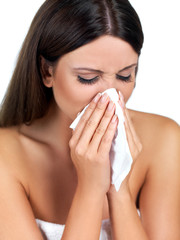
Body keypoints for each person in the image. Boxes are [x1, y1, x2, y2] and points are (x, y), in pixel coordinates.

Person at [0, 0, 179, 239]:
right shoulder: (6, 156)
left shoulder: (164, 139)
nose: (110, 95)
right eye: (87, 78)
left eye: (125, 76)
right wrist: (91, 190)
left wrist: (119, 190)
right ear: (47, 71)